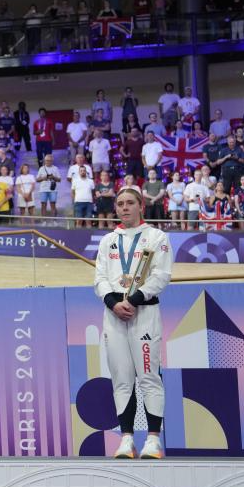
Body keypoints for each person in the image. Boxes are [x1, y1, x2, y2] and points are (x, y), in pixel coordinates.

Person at [93, 187, 172, 460]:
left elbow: (161, 275)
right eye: (120, 204)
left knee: (149, 377)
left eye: (130, 203)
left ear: (141, 206)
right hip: (114, 316)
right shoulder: (108, 240)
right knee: (122, 380)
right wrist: (113, 302)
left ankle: (153, 440)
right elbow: (100, 278)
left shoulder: (156, 237)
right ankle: (126, 439)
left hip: (144, 315)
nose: (124, 208)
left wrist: (135, 298)